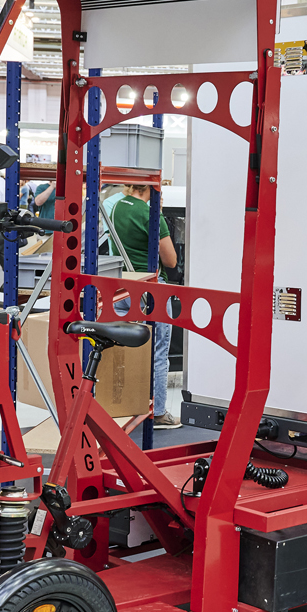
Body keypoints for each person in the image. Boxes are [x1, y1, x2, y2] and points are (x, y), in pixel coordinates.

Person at [112, 183, 180, 429]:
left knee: (125, 350)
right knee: (158, 352)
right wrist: (158, 214)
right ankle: (158, 412)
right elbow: (170, 260)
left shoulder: (117, 207)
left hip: (122, 287)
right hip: (150, 290)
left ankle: (123, 406)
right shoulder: (150, 215)